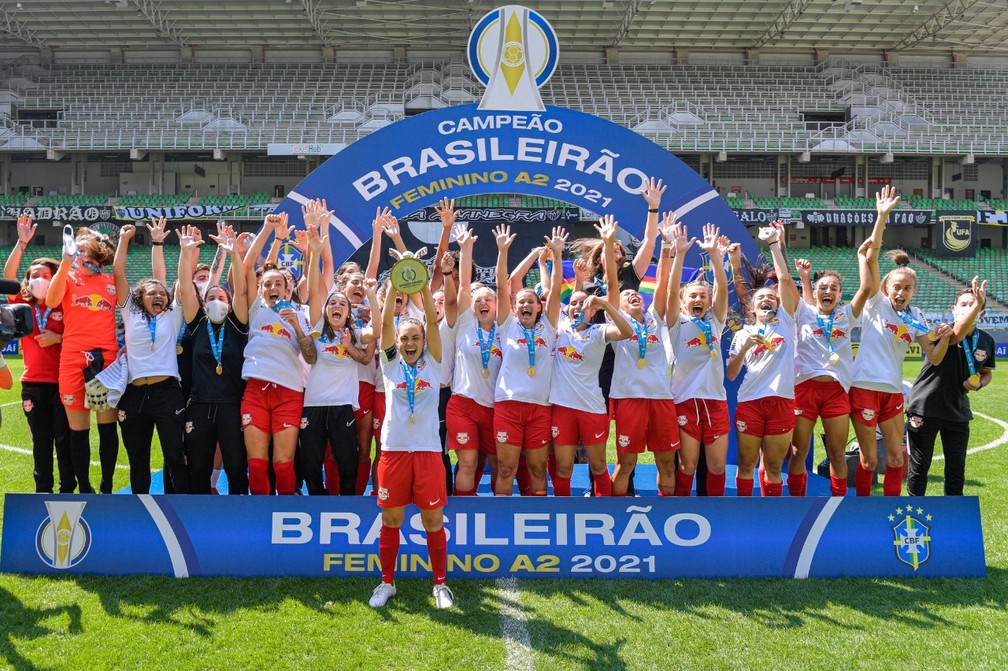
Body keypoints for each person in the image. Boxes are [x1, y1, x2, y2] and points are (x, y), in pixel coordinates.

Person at [850, 185, 953, 496]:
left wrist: (945, 338)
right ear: (887, 286)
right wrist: (882, 217)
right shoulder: (876, 302)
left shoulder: (916, 316)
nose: (901, 292)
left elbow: (933, 357)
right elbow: (871, 255)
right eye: (896, 286)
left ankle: (891, 509)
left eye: (907, 288)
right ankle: (863, 509)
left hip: (893, 392)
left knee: (896, 458)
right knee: (869, 461)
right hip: (865, 387)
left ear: (913, 292)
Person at [368, 277, 453, 609]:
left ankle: (441, 585)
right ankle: (386, 583)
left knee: (433, 521)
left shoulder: (432, 361)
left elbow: (433, 320)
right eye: (406, 338)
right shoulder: (390, 364)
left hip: (429, 452)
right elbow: (387, 321)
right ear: (398, 342)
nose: (411, 342)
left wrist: (422, 291)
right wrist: (392, 286)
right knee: (391, 520)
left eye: (416, 338)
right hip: (393, 451)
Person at [550, 216, 632, 496]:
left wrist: (605, 303)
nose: (576, 308)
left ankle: (604, 510)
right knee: (563, 469)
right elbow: (560, 297)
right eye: (572, 304)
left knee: (598, 467)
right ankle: (563, 513)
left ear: (590, 309)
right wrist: (558, 258)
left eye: (581, 305)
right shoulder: (558, 327)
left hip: (592, 408)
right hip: (561, 407)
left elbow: (627, 330)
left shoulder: (599, 331)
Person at [240, 212, 316, 495]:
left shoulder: (298, 314)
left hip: (289, 393)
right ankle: (260, 517)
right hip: (256, 390)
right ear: (261, 288)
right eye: (267, 284)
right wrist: (268, 230)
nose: (273, 287)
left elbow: (310, 356)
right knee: (257, 464)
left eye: (278, 284)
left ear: (288, 289)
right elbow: (247, 267)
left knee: (283, 463)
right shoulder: (254, 308)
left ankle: (287, 512)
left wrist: (297, 326)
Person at [112, 224, 191, 494]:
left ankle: (181, 510)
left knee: (174, 457)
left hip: (167, 393)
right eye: (151, 292)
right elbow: (118, 273)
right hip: (133, 395)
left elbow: (173, 277)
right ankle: (140, 513)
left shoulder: (172, 313)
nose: (158, 294)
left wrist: (165, 246)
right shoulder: (130, 313)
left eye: (162, 292)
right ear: (139, 298)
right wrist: (124, 240)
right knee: (138, 462)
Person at [301, 204, 373, 495]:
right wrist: (315, 250)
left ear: (349, 312)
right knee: (310, 462)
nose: (336, 306)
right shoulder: (317, 325)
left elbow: (379, 333)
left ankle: (346, 503)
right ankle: (317, 502)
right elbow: (318, 284)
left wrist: (374, 298)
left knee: (347, 461)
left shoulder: (355, 333)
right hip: (314, 405)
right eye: (333, 303)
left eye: (342, 304)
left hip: (344, 405)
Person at [46, 224, 120, 493]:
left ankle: (107, 484)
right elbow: (52, 301)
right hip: (72, 360)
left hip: (106, 360)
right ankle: (85, 486)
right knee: (78, 431)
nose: (83, 255)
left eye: (88, 251)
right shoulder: (67, 278)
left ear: (100, 255)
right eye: (79, 251)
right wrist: (65, 264)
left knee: (107, 426)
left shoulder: (111, 282)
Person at [726, 221, 798, 496]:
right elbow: (731, 374)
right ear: (752, 308)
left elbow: (785, 281)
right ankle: (746, 513)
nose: (767, 300)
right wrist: (745, 348)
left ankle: (772, 514)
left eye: (772, 297)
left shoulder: (787, 323)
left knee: (773, 464)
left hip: (781, 400)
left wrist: (774, 244)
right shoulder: (743, 332)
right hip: (750, 402)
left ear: (779, 304)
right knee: (746, 463)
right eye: (761, 299)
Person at [493, 224, 566, 496]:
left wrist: (556, 256)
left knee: (537, 469)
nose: (525, 305)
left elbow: (556, 289)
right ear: (514, 307)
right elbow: (503, 284)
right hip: (509, 406)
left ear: (539, 306)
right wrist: (503, 251)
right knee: (506, 468)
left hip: (540, 408)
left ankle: (538, 521)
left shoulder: (548, 325)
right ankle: (501, 520)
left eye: (531, 302)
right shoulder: (507, 324)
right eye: (521, 301)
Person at [177, 223, 250, 495]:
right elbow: (185, 288)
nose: (216, 301)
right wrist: (186, 254)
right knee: (199, 467)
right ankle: (199, 519)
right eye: (211, 297)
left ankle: (237, 514)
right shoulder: (197, 322)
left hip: (231, 405)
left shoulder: (238, 323)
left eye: (221, 297)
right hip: (199, 405)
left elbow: (241, 291)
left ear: (229, 304)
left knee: (235, 465)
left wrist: (234, 255)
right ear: (203, 302)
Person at [608, 213, 678, 496]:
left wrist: (667, 245)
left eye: (636, 294)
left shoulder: (654, 319)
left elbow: (663, 283)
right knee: (625, 464)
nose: (633, 295)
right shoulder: (615, 323)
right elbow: (613, 286)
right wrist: (608, 242)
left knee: (667, 464)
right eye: (627, 296)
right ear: (618, 305)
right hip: (629, 399)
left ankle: (667, 512)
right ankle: (615, 513)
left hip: (661, 398)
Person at [3, 214, 73, 493]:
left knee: (64, 441)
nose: (40, 280)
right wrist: (21, 244)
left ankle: (68, 489)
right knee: (40, 443)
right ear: (28, 281)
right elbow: (8, 277)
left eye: (46, 276)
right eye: (34, 276)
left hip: (63, 382)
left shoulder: (65, 302)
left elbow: (80, 334)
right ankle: (42, 491)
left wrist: (59, 336)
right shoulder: (22, 302)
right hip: (33, 385)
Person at [907, 279, 993, 496]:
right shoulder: (944, 332)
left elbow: (987, 372)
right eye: (963, 304)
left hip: (958, 411)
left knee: (956, 471)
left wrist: (979, 384)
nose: (968, 308)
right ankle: (915, 513)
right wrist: (977, 303)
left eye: (973, 305)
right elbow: (958, 335)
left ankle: (952, 520)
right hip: (925, 407)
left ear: (981, 314)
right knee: (919, 468)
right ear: (953, 309)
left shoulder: (986, 341)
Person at [666, 222, 730, 496]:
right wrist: (678, 255)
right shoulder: (676, 322)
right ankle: (681, 511)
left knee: (716, 467)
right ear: (683, 302)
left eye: (703, 295)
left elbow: (722, 290)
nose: (699, 299)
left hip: (715, 401)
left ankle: (714, 515)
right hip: (684, 401)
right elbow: (669, 293)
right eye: (692, 295)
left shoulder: (715, 321)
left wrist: (715, 255)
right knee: (688, 466)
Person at [445, 223, 499, 496]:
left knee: (493, 461)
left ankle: (489, 507)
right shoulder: (466, 322)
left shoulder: (506, 329)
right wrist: (466, 248)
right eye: (478, 299)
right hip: (463, 404)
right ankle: (463, 507)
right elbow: (464, 284)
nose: (482, 302)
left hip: (493, 408)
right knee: (467, 461)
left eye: (488, 298)